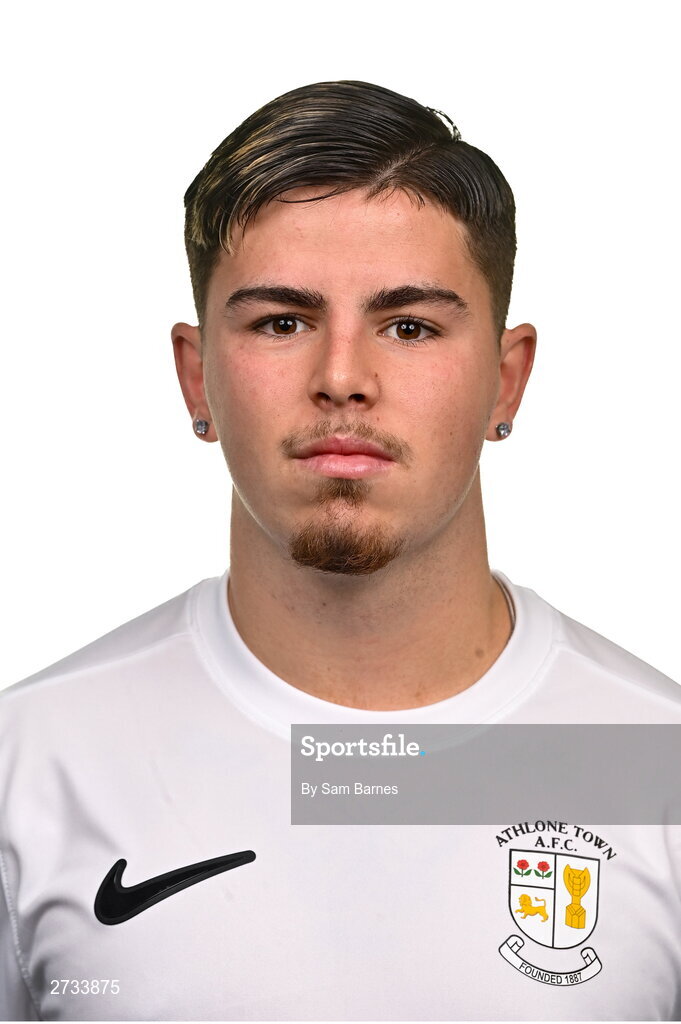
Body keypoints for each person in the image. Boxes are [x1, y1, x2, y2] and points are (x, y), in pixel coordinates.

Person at [1, 79, 680, 1022]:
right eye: (282, 321)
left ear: (505, 380)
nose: (342, 379)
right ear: (197, 376)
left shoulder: (658, 762)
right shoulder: (31, 762)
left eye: (410, 326)